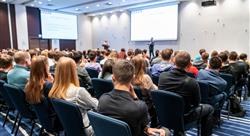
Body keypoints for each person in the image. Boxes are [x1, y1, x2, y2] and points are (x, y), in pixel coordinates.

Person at [98, 60, 167, 136]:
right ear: (132, 78)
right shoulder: (139, 106)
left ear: (113, 78)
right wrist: (135, 97)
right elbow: (146, 123)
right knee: (166, 131)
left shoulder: (102, 99)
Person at [158, 51, 214, 136]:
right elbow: (196, 103)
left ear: (173, 61)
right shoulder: (192, 82)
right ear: (189, 65)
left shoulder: (162, 76)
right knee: (210, 108)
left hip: (165, 114)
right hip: (184, 117)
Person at [49, 57, 98, 136]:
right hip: (87, 130)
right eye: (76, 69)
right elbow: (98, 106)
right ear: (72, 72)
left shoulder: (54, 90)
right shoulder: (79, 91)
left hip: (69, 128)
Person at [197, 57, 227, 123]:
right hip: (209, 101)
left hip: (197, 99)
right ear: (220, 66)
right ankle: (217, 116)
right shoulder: (223, 83)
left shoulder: (200, 72)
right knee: (224, 94)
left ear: (209, 65)